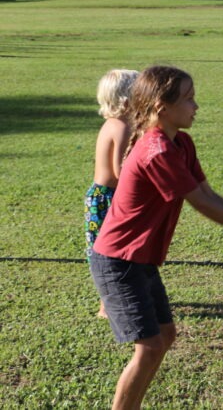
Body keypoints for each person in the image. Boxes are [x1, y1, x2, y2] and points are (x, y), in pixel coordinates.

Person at [91, 66, 223, 410]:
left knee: (165, 336)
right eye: (188, 99)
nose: (196, 106)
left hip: (141, 259)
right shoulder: (156, 150)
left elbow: (206, 192)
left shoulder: (180, 142)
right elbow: (199, 202)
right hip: (118, 261)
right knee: (150, 345)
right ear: (161, 107)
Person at [85, 68, 139, 318]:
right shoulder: (120, 127)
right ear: (127, 101)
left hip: (103, 195)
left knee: (113, 248)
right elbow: (121, 171)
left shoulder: (114, 123)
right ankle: (107, 304)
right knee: (106, 250)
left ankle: (117, 296)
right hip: (107, 197)